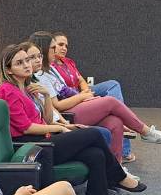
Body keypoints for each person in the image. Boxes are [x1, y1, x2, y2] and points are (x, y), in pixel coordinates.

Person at [0, 43, 144, 195]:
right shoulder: (7, 90)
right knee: (94, 134)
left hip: (46, 138)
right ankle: (118, 175)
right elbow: (26, 128)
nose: (26, 65)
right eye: (19, 63)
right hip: (35, 146)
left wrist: (45, 97)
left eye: (27, 60)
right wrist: (60, 130)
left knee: (95, 155)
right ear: (8, 69)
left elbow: (45, 119)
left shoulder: (29, 87)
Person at [30, 32, 161, 163]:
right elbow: (58, 105)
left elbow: (68, 89)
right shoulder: (40, 76)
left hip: (76, 105)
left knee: (115, 121)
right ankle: (146, 132)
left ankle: (118, 169)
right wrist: (83, 97)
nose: (57, 51)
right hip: (67, 114)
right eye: (53, 48)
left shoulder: (52, 69)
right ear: (44, 50)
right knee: (110, 101)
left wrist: (87, 97)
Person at [49, 31, 137, 162]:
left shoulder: (68, 62)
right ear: (51, 46)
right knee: (112, 106)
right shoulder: (51, 68)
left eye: (66, 46)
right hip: (73, 100)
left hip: (81, 93)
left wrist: (87, 93)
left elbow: (81, 80)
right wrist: (83, 97)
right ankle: (129, 142)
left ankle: (121, 124)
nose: (64, 48)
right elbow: (60, 98)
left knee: (113, 85)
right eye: (60, 45)